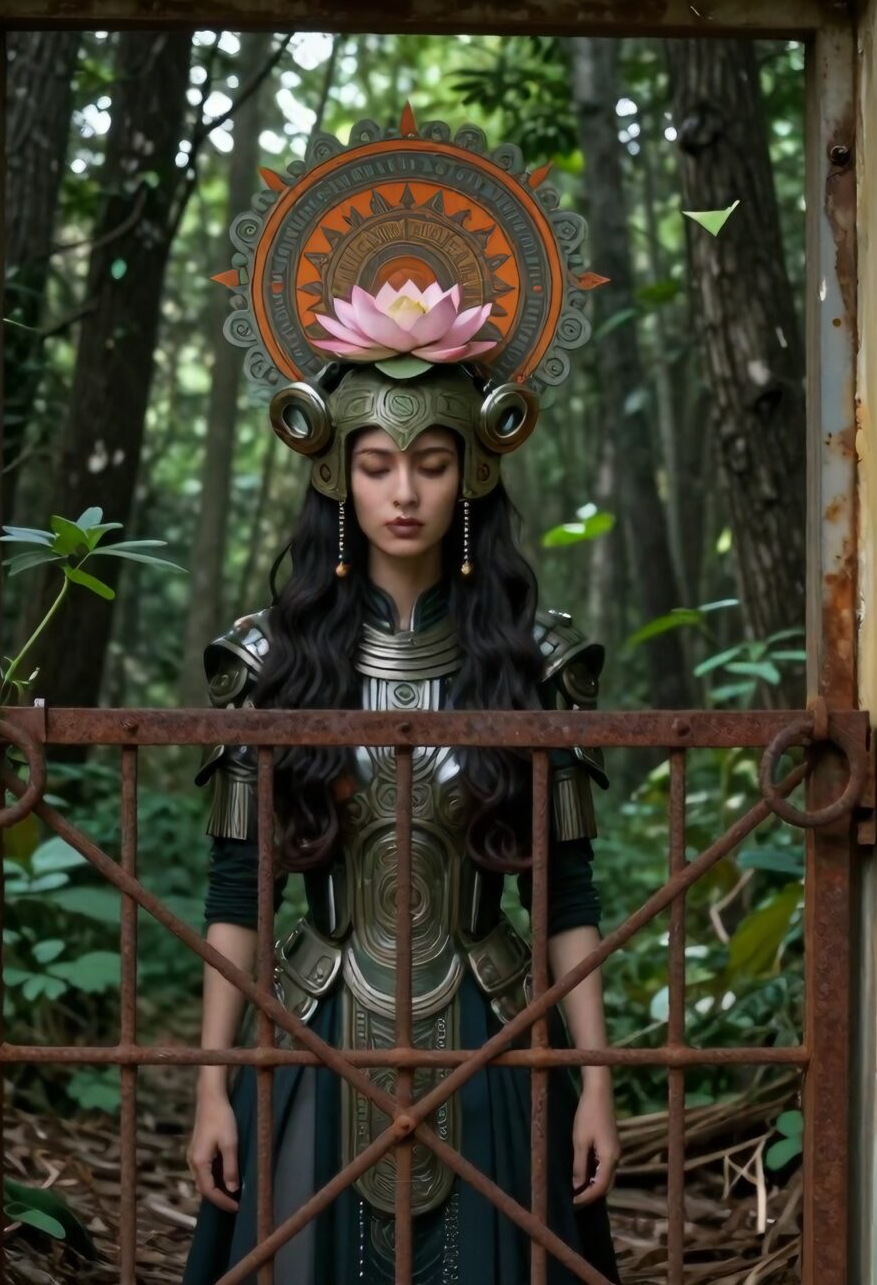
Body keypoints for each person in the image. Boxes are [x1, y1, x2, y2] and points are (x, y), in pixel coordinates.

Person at [183, 113, 623, 1285]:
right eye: (377, 465)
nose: (404, 492)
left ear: (473, 468)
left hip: (490, 1023)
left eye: (429, 462)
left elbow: (567, 892)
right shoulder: (268, 661)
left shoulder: (534, 661)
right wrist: (210, 1087)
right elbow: (240, 892)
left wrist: (593, 1081)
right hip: (313, 1026)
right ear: (336, 470)